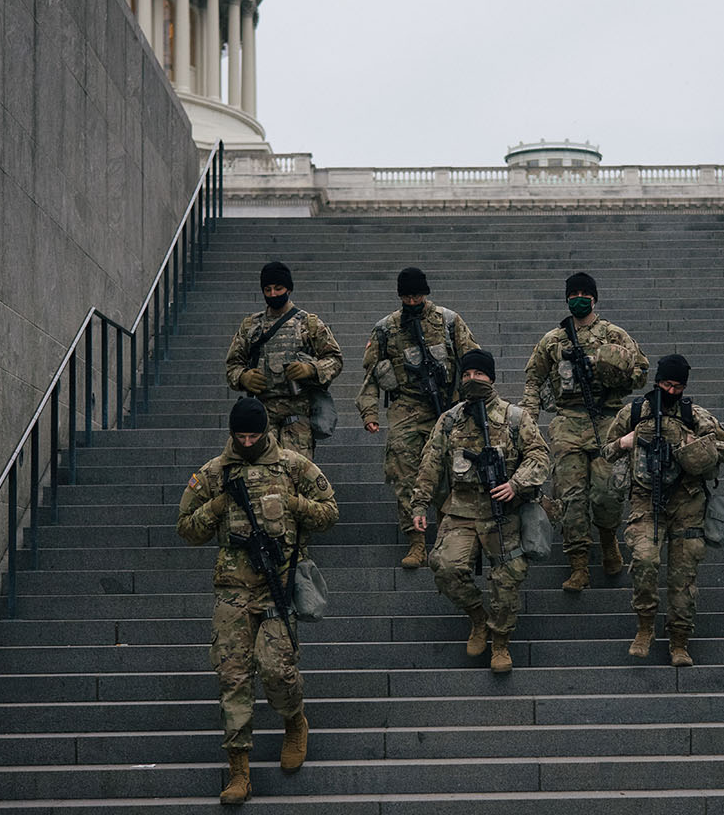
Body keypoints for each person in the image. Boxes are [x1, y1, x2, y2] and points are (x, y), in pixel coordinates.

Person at [175, 397, 339, 805]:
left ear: (265, 430)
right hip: (232, 588)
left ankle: (294, 720)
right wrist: (218, 505)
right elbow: (185, 528)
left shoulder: (293, 465)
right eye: (240, 435)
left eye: (254, 434)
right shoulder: (214, 472)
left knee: (276, 668)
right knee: (232, 676)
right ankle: (238, 771)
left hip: (277, 583)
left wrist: (294, 505)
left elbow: (330, 510)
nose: (247, 442)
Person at [411, 349, 550, 673]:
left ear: (492, 378)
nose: (473, 380)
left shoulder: (516, 417)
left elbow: (539, 457)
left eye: (479, 375)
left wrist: (516, 483)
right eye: (468, 374)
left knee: (508, 575)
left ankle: (500, 642)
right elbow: (430, 464)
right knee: (444, 565)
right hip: (461, 507)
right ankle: (478, 618)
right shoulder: (450, 419)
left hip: (503, 510)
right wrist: (419, 503)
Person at [601, 354, 724, 666]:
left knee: (683, 578)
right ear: (657, 381)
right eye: (666, 384)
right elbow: (606, 451)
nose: (672, 391)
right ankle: (645, 627)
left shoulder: (695, 415)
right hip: (645, 501)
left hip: (687, 503)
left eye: (678, 385)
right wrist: (626, 442)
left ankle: (679, 641)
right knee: (645, 562)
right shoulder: (634, 412)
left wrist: (696, 444)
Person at [522, 271, 648, 592]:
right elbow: (534, 379)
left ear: (594, 297)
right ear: (566, 298)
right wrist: (527, 421)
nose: (578, 298)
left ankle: (608, 539)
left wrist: (610, 369)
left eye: (584, 293)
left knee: (607, 490)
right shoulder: (553, 340)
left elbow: (640, 372)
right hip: (567, 422)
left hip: (607, 420)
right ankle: (578, 564)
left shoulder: (613, 334)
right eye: (573, 293)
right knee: (571, 495)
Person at [356, 267, 481, 568]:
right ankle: (416, 541)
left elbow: (473, 360)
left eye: (417, 295)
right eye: (407, 296)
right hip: (406, 407)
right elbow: (371, 375)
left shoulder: (449, 321)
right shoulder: (386, 329)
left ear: (426, 293)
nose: (412, 301)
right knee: (404, 471)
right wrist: (369, 411)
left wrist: (476, 402)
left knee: (451, 472)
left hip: (446, 406)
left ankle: (447, 537)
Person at [224, 260, 343, 458]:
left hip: (298, 415)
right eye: (268, 289)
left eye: (278, 288)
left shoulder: (309, 324)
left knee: (296, 476)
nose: (273, 294)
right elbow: (232, 365)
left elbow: (335, 360)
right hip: (261, 416)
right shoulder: (250, 326)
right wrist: (243, 377)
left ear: (289, 288)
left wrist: (311, 369)